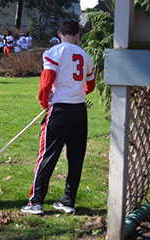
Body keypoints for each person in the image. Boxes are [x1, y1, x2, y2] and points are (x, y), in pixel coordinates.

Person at [21, 20, 96, 215]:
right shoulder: (86, 56)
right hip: (80, 111)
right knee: (76, 157)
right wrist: (76, 92)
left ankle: (35, 202)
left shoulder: (54, 52)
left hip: (60, 109)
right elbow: (90, 86)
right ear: (78, 35)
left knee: (47, 154)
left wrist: (44, 102)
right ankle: (68, 201)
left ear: (59, 33)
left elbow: (46, 82)